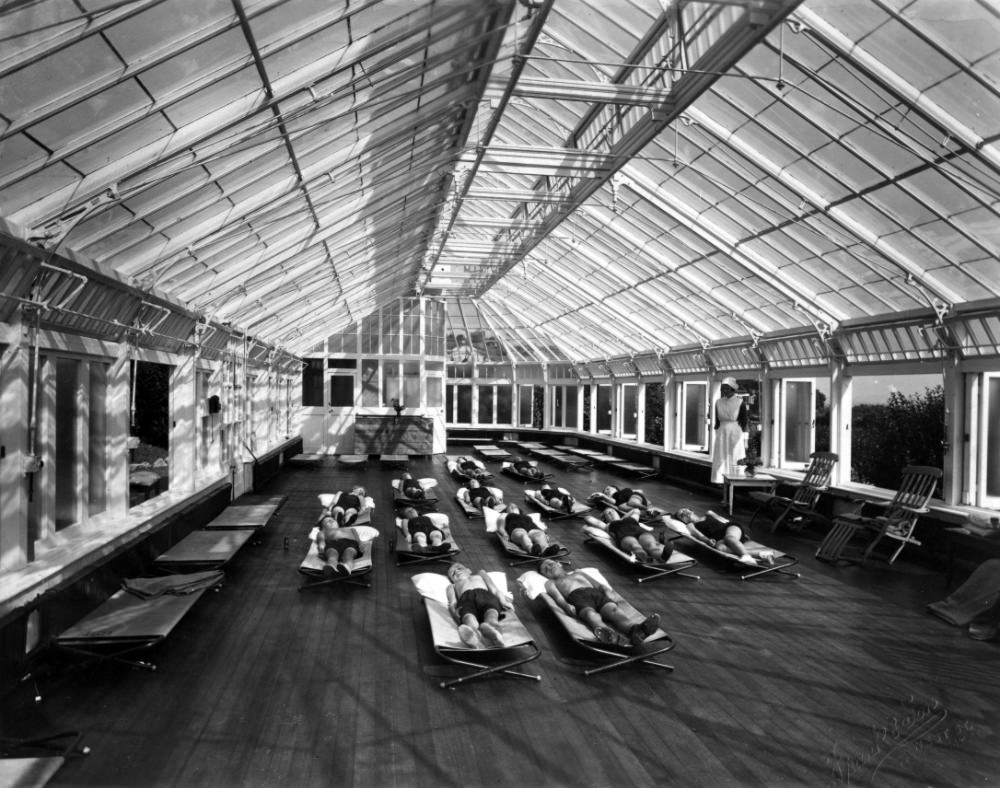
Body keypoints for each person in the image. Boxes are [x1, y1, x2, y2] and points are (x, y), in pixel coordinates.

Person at [538, 559, 660, 647]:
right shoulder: (550, 583)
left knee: (614, 611)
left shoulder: (578, 572)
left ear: (559, 563)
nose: (549, 567)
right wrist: (565, 606)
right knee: (591, 615)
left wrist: (606, 589)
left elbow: (596, 583)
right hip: (576, 598)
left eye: (550, 563)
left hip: (595, 593)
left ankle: (636, 631)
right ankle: (611, 636)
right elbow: (557, 597)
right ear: (544, 575)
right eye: (545, 569)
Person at [667, 508, 774, 566]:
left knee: (729, 538)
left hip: (730, 528)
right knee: (720, 548)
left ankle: (746, 556)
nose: (685, 513)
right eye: (682, 515)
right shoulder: (690, 526)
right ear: (683, 521)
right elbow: (699, 536)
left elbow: (724, 521)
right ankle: (762, 555)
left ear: (692, 511)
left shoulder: (708, 514)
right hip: (719, 539)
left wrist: (742, 533)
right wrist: (708, 541)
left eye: (685, 510)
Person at [446, 563, 511, 647]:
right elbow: (452, 603)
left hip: (485, 596)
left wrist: (504, 601)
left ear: (469, 570)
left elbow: (495, 590)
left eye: (459, 568)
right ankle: (472, 636)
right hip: (466, 600)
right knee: (469, 618)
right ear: (452, 579)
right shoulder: (452, 586)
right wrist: (455, 613)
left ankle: (493, 632)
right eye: (453, 573)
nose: (457, 571)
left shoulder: (480, 575)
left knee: (491, 614)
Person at [584, 508, 673, 563]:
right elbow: (588, 518)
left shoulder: (630, 518)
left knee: (651, 544)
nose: (610, 513)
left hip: (639, 531)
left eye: (612, 511)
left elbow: (636, 510)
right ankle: (643, 557)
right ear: (605, 518)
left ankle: (661, 557)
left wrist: (624, 517)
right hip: (623, 535)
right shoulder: (606, 525)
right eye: (607, 513)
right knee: (634, 545)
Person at [711, 376, 747, 487]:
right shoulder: (718, 402)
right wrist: (717, 432)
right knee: (720, 455)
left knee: (734, 454)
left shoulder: (740, 402)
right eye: (722, 389)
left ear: (732, 389)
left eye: (726, 388)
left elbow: (744, 421)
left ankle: (735, 479)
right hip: (722, 432)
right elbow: (717, 421)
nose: (724, 391)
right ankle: (720, 479)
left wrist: (745, 439)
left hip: (735, 432)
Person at [497, 504, 563, 557]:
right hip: (515, 528)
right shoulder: (504, 515)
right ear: (506, 510)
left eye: (514, 506)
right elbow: (500, 527)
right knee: (523, 535)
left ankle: (546, 550)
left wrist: (544, 534)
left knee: (539, 535)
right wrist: (505, 534)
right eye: (510, 506)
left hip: (531, 528)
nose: (512, 506)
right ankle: (531, 549)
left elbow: (534, 524)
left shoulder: (526, 516)